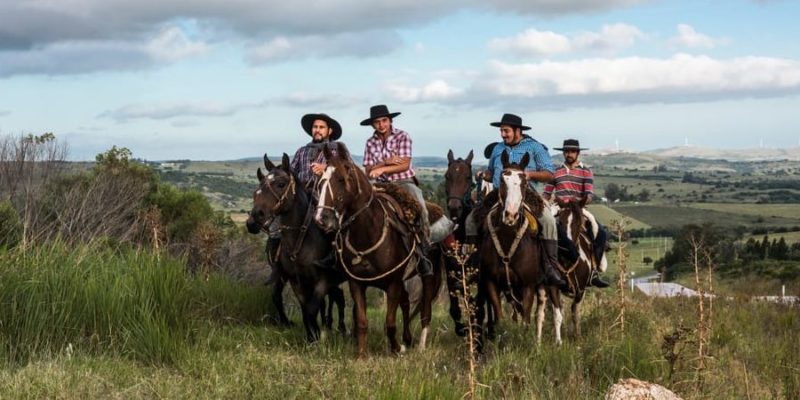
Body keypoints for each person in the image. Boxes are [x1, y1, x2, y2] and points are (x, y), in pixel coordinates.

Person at [465, 113, 567, 289]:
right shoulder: (497, 149)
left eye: (506, 131)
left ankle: (551, 267)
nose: (503, 135)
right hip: (499, 193)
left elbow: (549, 173)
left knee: (549, 221)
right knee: (470, 221)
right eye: (501, 131)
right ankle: (472, 266)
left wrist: (530, 174)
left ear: (517, 130)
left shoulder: (535, 148)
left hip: (527, 193)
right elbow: (492, 172)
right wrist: (483, 174)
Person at [360, 104, 432, 275]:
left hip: (403, 181)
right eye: (377, 122)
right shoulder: (370, 142)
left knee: (420, 208)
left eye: (384, 120)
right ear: (373, 125)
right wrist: (386, 162)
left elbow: (404, 164)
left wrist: (382, 169)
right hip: (380, 184)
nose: (381, 125)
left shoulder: (402, 136)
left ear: (390, 121)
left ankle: (424, 250)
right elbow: (368, 171)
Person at [543, 139, 609, 287]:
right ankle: (542, 266)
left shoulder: (586, 171)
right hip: (558, 207)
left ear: (577, 153)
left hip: (579, 208)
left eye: (572, 151)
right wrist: (544, 202)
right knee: (543, 228)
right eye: (566, 151)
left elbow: (589, 195)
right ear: (563, 153)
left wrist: (581, 201)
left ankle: (594, 270)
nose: (569, 154)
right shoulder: (555, 171)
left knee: (601, 232)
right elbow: (547, 193)